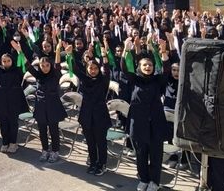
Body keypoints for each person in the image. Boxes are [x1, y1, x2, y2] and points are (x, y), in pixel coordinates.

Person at [121, 36, 170, 191]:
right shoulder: (135, 79)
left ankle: (154, 182)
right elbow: (124, 68)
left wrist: (163, 52)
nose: (147, 67)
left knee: (156, 154)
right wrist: (126, 50)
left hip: (156, 124)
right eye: (144, 65)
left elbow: (167, 70)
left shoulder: (158, 81)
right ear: (139, 67)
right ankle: (143, 179)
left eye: (149, 64)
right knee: (141, 154)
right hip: (138, 123)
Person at [68, 42, 111, 176]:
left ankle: (102, 164)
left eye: (95, 68)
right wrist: (70, 54)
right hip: (86, 115)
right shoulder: (85, 80)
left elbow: (107, 69)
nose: (93, 71)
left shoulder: (103, 80)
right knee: (91, 142)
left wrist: (104, 55)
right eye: (90, 68)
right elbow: (75, 69)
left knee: (101, 142)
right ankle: (93, 162)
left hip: (100, 115)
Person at [27, 41, 67, 163]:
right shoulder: (38, 75)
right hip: (40, 106)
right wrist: (19, 51)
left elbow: (58, 64)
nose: (45, 68)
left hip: (53, 105)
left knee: (54, 130)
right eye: (42, 66)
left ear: (50, 65)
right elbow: (27, 65)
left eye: (47, 65)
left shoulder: (55, 75)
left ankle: (55, 151)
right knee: (42, 130)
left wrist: (58, 50)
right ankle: (45, 150)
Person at [0, 47, 30, 153]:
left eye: (8, 61)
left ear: (12, 61)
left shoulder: (17, 70)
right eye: (4, 61)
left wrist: (20, 52)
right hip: (1, 101)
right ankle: (5, 142)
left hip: (14, 101)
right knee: (3, 123)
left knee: (13, 123)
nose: (6, 63)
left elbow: (27, 66)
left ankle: (13, 143)